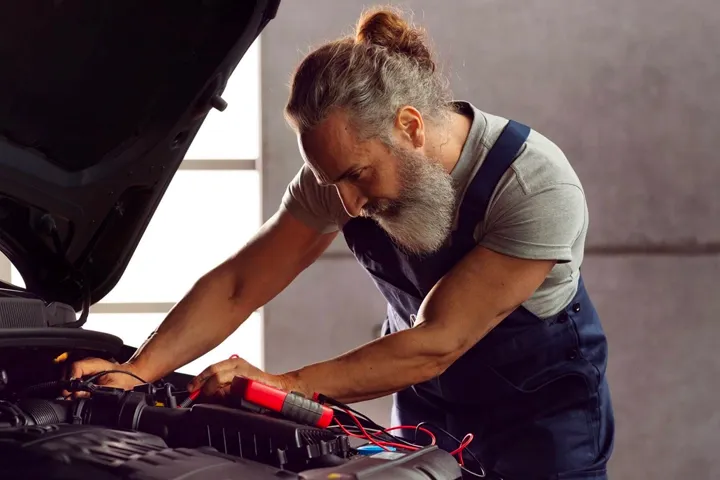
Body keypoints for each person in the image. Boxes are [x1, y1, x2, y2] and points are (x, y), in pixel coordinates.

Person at [71, 7, 614, 479]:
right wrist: (139, 371)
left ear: (410, 127)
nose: (349, 204)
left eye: (359, 175)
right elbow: (239, 285)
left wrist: (285, 387)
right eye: (335, 183)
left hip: (542, 417)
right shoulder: (337, 177)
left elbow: (439, 340)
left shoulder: (532, 187)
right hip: (427, 406)